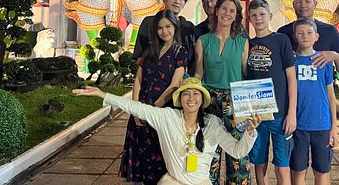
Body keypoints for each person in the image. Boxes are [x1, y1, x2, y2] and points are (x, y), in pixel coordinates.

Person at [73, 78, 261, 185]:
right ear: (180, 99)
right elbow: (135, 107)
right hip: (173, 181)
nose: (191, 98)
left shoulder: (212, 123)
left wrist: (250, 132)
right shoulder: (167, 117)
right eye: (186, 93)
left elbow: (237, 151)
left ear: (202, 99)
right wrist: (103, 94)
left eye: (196, 94)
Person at [120, 9, 189, 184]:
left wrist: (153, 109)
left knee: (160, 159)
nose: (164, 31)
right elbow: (138, 79)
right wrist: (136, 109)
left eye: (168, 26)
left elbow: (175, 85)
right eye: (160, 28)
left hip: (163, 112)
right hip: (140, 111)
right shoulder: (150, 50)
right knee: (141, 158)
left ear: (175, 27)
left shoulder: (179, 52)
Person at [194, 0, 250, 185]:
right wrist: (190, 87)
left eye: (232, 10)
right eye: (224, 8)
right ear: (216, 11)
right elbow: (199, 73)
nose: (227, 13)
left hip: (236, 100)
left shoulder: (242, 42)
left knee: (238, 152)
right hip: (209, 100)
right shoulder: (203, 40)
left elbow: (245, 73)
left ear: (236, 16)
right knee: (210, 150)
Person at [246, 0, 296, 185]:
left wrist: (291, 114)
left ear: (270, 16)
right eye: (254, 15)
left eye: (262, 14)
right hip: (258, 115)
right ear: (249, 19)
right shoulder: (247, 44)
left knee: (282, 164)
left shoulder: (281, 40)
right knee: (259, 163)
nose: (258, 18)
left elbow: (292, 79)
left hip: (280, 114)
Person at [290, 18, 338, 185]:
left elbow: (331, 95)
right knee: (298, 170)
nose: (305, 36)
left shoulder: (324, 61)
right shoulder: (291, 62)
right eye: (300, 33)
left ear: (316, 36)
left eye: (309, 32)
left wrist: (334, 127)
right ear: (295, 36)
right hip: (298, 126)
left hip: (322, 125)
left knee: (322, 171)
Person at [277, 0, 339, 75]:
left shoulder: (330, 30)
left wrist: (335, 56)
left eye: (308, 1)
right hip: (293, 87)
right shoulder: (283, 32)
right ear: (293, 5)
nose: (303, 5)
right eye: (299, 2)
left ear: (315, 4)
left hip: (322, 86)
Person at [133, 0, 198, 74]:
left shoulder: (188, 27)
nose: (177, 1)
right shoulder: (149, 22)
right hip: (150, 78)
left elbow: (192, 60)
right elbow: (139, 55)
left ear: (184, 4)